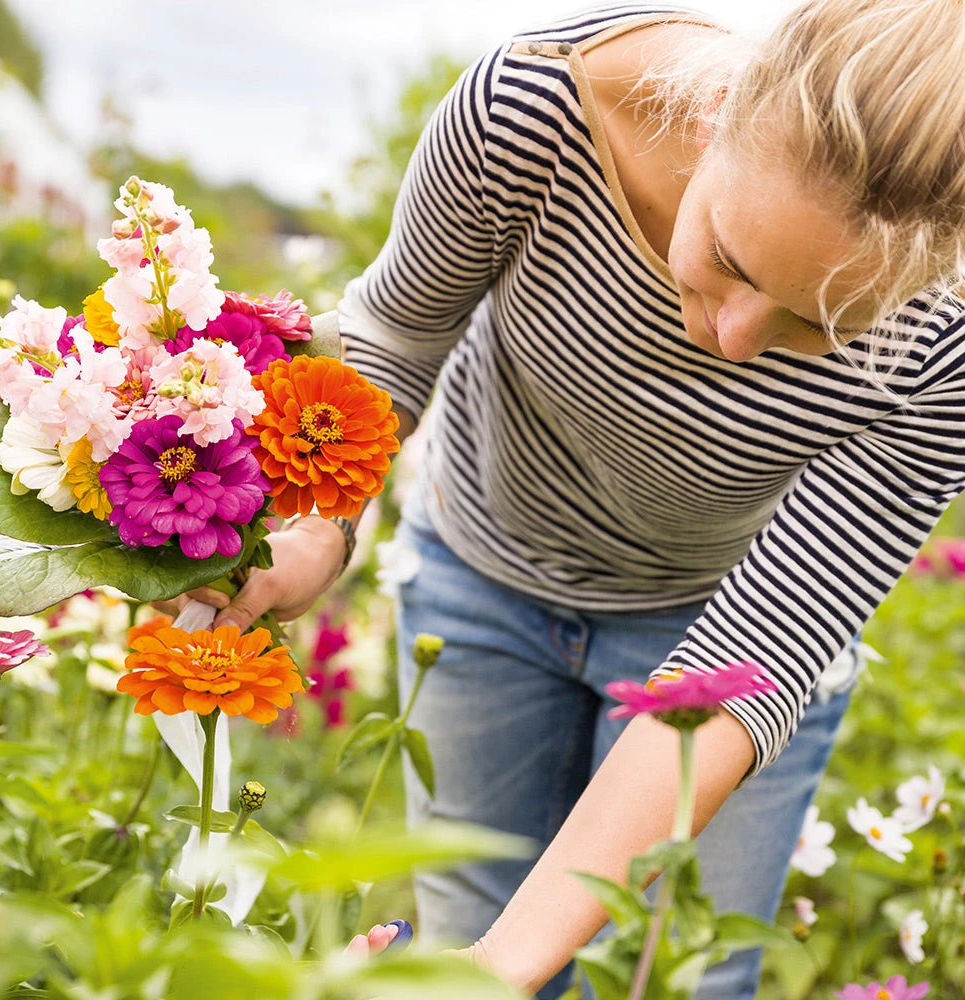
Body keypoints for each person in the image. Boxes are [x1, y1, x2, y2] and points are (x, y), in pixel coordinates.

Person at [181, 1, 965, 996]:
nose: (731, 339)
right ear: (714, 111)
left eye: (813, 325)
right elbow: (398, 338)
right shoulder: (536, 108)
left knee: (678, 976)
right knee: (469, 927)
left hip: (723, 643)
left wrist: (494, 972)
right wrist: (316, 531)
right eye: (728, 257)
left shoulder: (948, 338)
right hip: (482, 580)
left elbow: (767, 641)